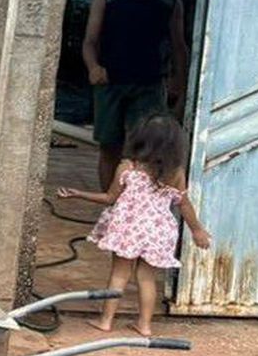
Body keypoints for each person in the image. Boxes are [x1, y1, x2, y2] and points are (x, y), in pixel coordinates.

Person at [58, 113, 210, 337]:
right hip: (158, 231)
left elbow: (110, 198)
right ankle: (145, 325)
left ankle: (106, 321)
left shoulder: (127, 168)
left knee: (119, 274)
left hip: (128, 229)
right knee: (146, 277)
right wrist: (197, 230)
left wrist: (78, 194)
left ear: (140, 139)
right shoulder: (175, 173)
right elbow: (184, 204)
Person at [82, 0, 188, 191]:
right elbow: (89, 41)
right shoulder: (107, 0)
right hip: (111, 84)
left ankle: (138, 205)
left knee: (146, 148)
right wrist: (93, 67)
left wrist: (179, 84)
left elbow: (178, 47)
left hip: (149, 85)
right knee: (109, 147)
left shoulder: (168, 3)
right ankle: (110, 205)